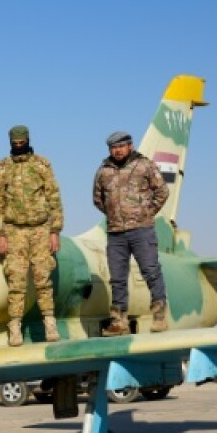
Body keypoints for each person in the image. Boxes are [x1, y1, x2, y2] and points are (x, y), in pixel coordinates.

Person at [0, 124, 64, 346]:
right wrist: (0, 233)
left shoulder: (42, 164)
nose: (19, 146)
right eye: (15, 143)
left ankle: (49, 323)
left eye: (22, 143)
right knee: (16, 279)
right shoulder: (3, 167)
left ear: (28, 141)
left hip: (40, 228)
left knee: (43, 277)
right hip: (14, 230)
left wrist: (55, 231)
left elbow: (54, 197)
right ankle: (15, 326)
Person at [92, 131, 170, 335]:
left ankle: (159, 316)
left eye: (121, 146)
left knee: (150, 271)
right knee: (117, 278)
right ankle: (119, 321)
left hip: (141, 230)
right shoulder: (103, 171)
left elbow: (162, 191)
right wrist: (114, 215)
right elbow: (98, 199)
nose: (117, 150)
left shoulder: (144, 165)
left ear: (130, 146)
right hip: (116, 233)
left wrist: (146, 213)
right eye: (113, 147)